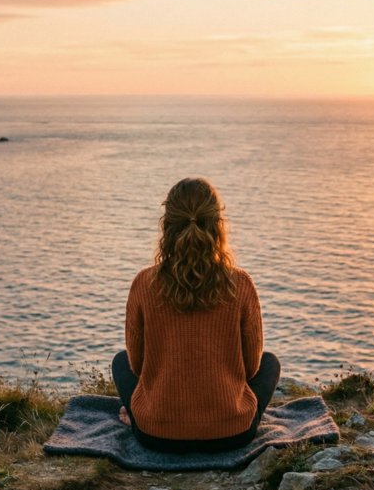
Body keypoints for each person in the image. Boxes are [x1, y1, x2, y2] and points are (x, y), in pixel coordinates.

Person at [112, 177, 280, 454]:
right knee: (269, 363)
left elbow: (138, 367)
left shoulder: (144, 283)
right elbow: (251, 368)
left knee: (121, 361)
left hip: (155, 435)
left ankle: (136, 416)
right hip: (233, 435)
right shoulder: (240, 284)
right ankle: (228, 418)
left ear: (167, 225)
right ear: (217, 225)